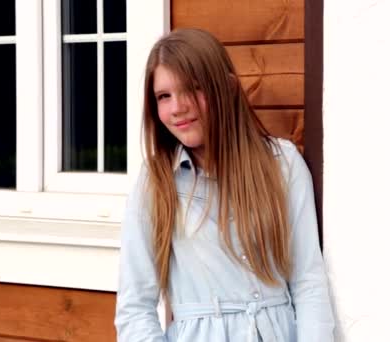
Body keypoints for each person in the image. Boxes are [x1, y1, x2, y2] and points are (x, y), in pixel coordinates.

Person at [114, 28, 335, 342]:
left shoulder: (282, 166)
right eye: (164, 96)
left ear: (227, 87)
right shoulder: (156, 183)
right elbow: (135, 306)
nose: (177, 107)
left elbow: (308, 282)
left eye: (192, 89)